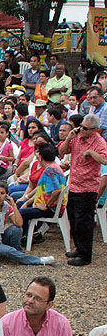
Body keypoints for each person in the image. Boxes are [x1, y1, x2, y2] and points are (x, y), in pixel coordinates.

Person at [58, 113, 107, 266]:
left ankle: (85, 255)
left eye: (86, 128)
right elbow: (62, 151)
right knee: (73, 219)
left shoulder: (99, 142)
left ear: (95, 130)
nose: (82, 130)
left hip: (88, 188)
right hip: (74, 185)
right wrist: (69, 138)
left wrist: (91, 152)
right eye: (81, 127)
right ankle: (79, 249)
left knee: (83, 222)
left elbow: (104, 160)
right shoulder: (77, 137)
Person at [0, 181, 55, 266]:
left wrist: (14, 206)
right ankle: (39, 260)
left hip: (0, 237)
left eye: (2, 193)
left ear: (6, 195)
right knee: (9, 250)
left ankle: (18, 253)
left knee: (17, 229)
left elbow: (19, 224)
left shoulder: (6, 206)